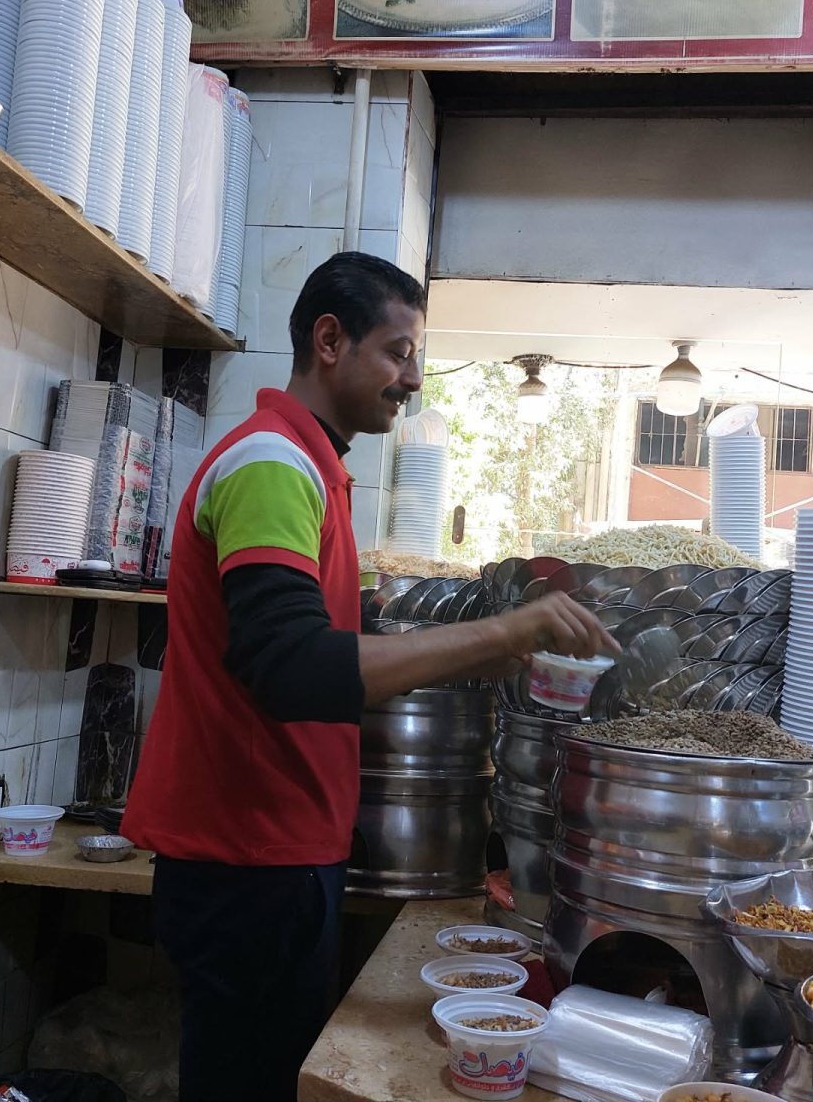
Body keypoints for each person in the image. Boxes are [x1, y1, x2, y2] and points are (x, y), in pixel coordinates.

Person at [121, 251, 616, 1102]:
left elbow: (331, 652)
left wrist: (494, 652)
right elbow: (293, 667)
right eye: (398, 352)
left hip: (278, 851)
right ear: (328, 341)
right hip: (246, 859)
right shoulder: (272, 464)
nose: (412, 379)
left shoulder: (312, 467)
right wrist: (502, 626)